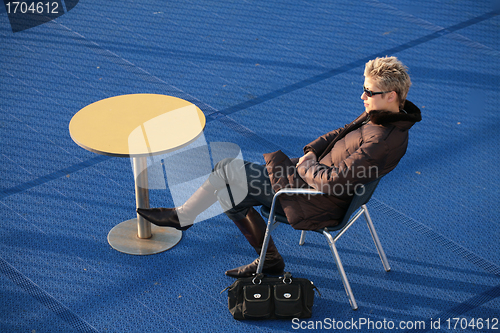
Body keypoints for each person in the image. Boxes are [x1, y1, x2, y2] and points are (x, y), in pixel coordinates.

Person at [137, 56, 422, 278]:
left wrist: (306, 166)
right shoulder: (383, 116)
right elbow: (339, 132)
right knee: (227, 189)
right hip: (314, 180)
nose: (362, 96)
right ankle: (266, 258)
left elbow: (335, 183)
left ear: (391, 95)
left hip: (318, 199)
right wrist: (311, 151)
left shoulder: (381, 140)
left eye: (368, 92)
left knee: (226, 173)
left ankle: (185, 217)